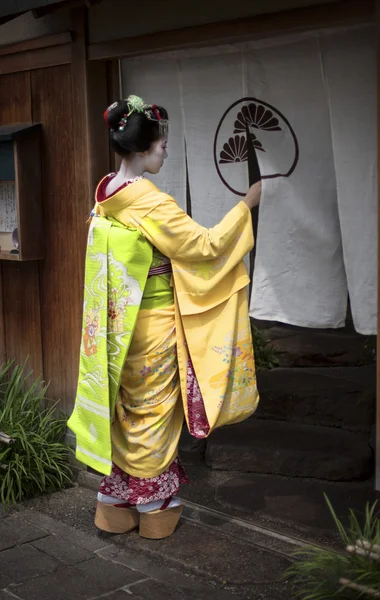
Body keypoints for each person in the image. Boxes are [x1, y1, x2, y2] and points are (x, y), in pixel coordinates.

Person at [68, 95, 260, 540]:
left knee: (126, 410)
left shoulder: (107, 193)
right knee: (154, 412)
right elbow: (206, 247)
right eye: (161, 145)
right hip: (152, 323)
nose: (166, 151)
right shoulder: (150, 202)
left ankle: (113, 502)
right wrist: (247, 205)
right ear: (141, 149)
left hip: (118, 325)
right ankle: (154, 504)